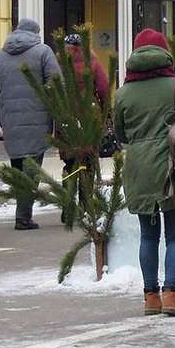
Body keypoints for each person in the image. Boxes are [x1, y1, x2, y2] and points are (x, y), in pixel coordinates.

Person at [113, 28, 175, 316]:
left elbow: (121, 134)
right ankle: (171, 294)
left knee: (147, 237)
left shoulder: (123, 93)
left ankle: (150, 298)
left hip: (139, 170)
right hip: (174, 167)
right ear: (164, 53)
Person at [0, 19, 60, 230]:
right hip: (37, 120)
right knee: (32, 168)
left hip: (10, 121)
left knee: (18, 168)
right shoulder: (43, 52)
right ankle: (23, 216)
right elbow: (56, 84)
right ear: (35, 33)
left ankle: (21, 213)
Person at [60, 33, 110, 222]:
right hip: (89, 118)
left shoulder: (59, 65)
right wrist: (106, 113)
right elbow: (103, 89)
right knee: (87, 162)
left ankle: (67, 205)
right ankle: (86, 204)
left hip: (66, 117)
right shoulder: (92, 64)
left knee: (69, 163)